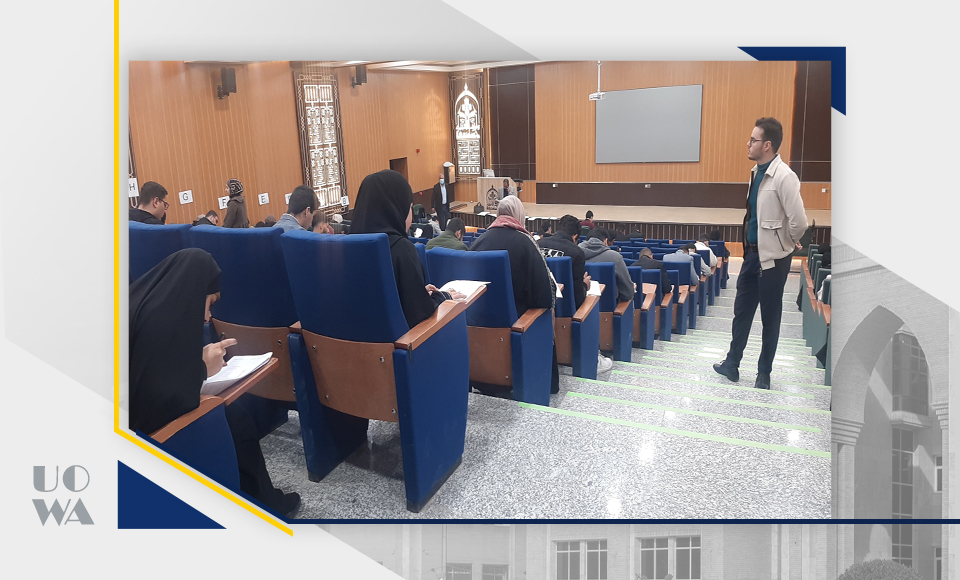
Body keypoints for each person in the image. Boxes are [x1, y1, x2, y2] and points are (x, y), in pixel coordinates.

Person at [128, 248, 300, 516]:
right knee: (236, 419)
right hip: (148, 435)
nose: (207, 317)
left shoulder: (144, 302)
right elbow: (162, 402)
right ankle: (267, 505)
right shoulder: (161, 321)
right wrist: (202, 369)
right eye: (209, 302)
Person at [713, 117, 808, 390]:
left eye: (753, 140)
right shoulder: (756, 172)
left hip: (774, 259)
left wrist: (786, 243)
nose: (748, 143)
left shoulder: (784, 177)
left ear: (767, 145)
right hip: (751, 255)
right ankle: (732, 363)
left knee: (770, 317)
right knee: (741, 312)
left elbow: (799, 222)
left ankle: (763, 373)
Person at [352, 170, 463, 328]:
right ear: (396, 209)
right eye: (410, 207)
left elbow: (377, 299)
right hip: (401, 341)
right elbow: (419, 315)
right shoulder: (401, 249)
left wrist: (417, 292)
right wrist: (443, 297)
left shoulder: (344, 249)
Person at [470, 196, 559, 392]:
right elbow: (544, 295)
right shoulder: (525, 242)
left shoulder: (478, 242)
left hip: (478, 338)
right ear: (519, 215)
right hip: (517, 333)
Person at [539, 216, 613, 373]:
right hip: (568, 311)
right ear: (575, 236)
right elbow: (578, 296)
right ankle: (594, 357)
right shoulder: (576, 252)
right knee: (591, 301)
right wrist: (584, 285)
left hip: (541, 307)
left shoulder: (539, 244)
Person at [579, 228, 635, 304]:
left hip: (580, 307)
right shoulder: (615, 257)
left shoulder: (574, 255)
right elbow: (628, 293)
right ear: (605, 241)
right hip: (610, 309)